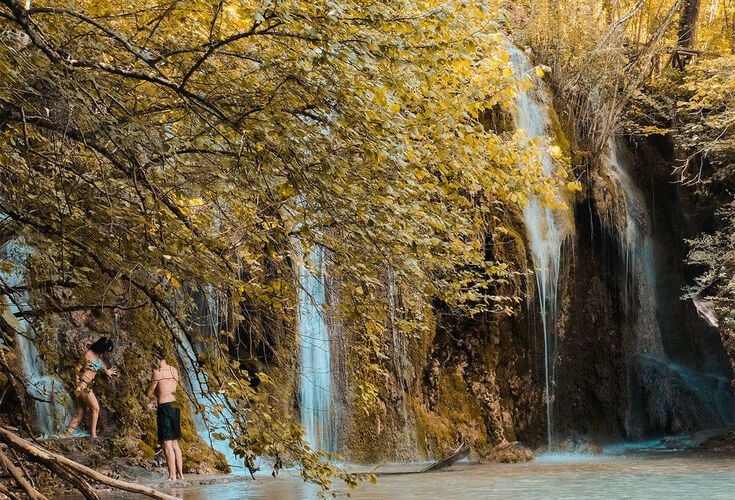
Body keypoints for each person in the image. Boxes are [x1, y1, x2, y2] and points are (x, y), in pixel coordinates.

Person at [65, 336, 117, 438]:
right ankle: (93, 434)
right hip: (84, 385)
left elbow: (100, 364)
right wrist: (78, 384)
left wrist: (107, 371)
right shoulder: (88, 354)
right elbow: (77, 368)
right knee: (95, 408)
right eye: (105, 350)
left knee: (80, 412)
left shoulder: (97, 358)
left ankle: (67, 434)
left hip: (88, 385)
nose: (105, 353)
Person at [146, 346, 183, 481]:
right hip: (175, 406)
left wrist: (154, 393)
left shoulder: (157, 372)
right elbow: (175, 386)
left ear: (156, 358)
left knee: (167, 443)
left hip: (165, 407)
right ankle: (180, 475)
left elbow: (149, 392)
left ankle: (172, 476)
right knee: (175, 444)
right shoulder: (174, 370)